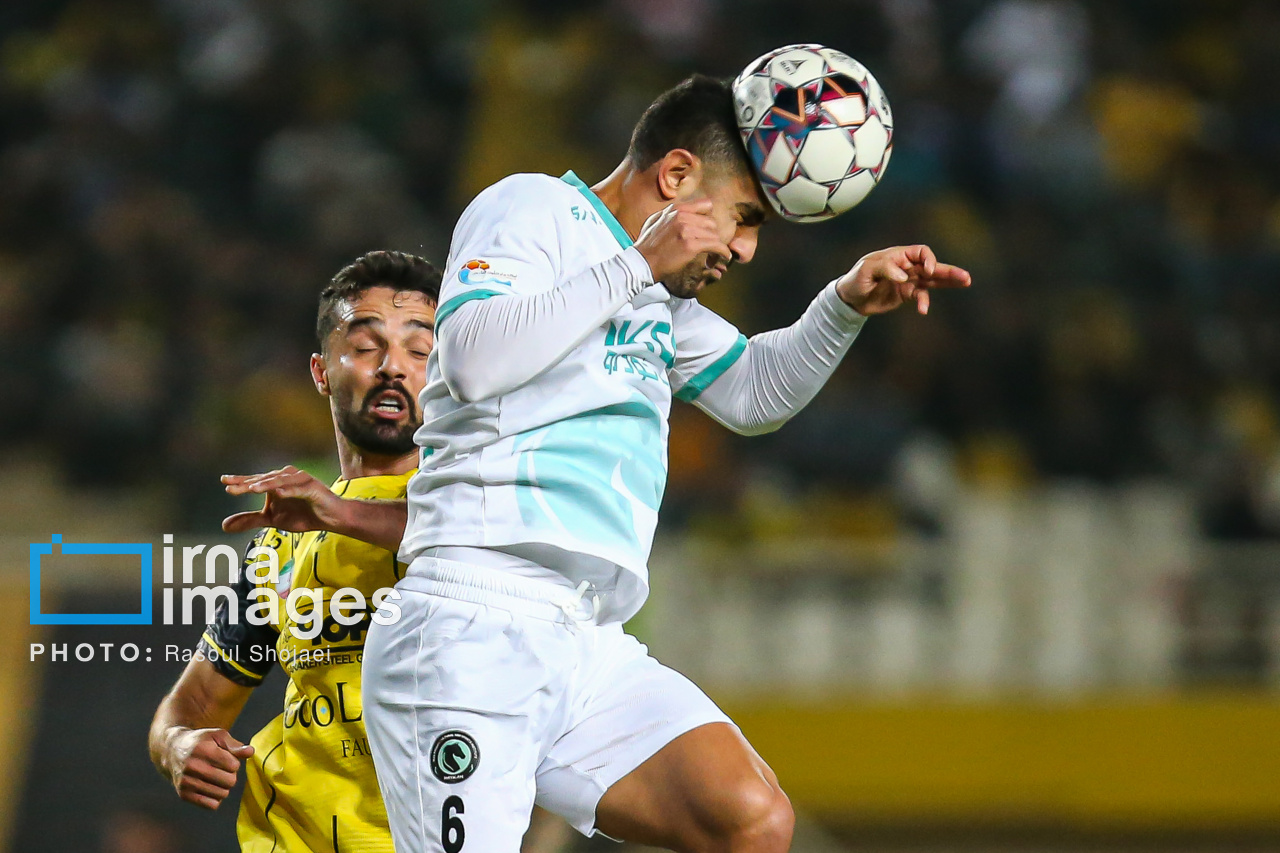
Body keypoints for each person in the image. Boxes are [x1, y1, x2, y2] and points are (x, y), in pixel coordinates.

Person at [225, 74, 971, 852]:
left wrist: (844, 304)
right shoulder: (533, 208)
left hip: (586, 640)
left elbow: (754, 393)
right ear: (676, 176)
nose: (746, 248)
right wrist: (635, 266)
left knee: (747, 817)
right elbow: (471, 358)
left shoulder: (661, 300)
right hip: (470, 624)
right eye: (744, 217)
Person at [153, 251, 574, 852]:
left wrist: (339, 513)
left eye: (420, 351)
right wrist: (177, 744)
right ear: (322, 372)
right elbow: (195, 702)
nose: (393, 367)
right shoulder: (282, 540)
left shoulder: (493, 499)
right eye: (366, 346)